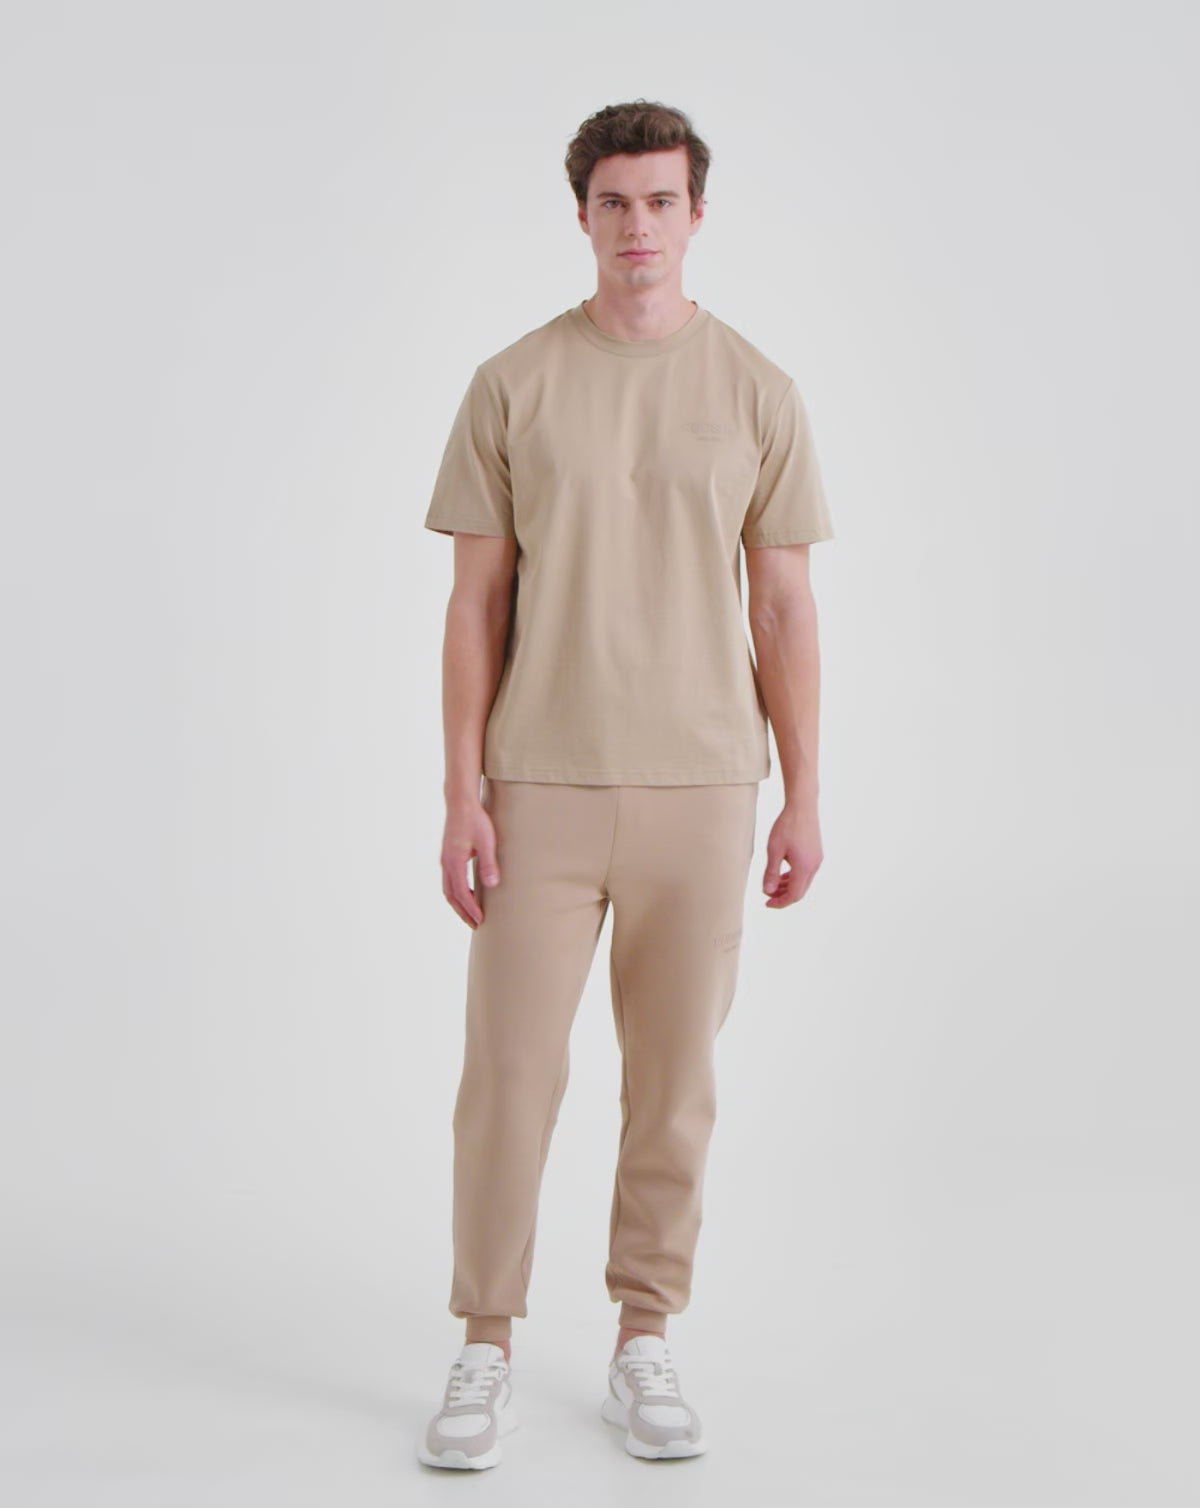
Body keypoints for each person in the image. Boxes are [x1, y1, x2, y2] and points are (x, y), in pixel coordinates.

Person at [416, 98, 834, 1470]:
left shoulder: (759, 390)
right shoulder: (514, 383)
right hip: (538, 780)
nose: (638, 226)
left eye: (661, 202)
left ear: (696, 216)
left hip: (705, 786)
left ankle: (643, 1335)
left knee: (674, 1082)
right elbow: (475, 606)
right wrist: (460, 793)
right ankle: (485, 1343)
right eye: (614, 203)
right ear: (583, 217)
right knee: (508, 1077)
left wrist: (803, 794)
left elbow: (785, 606)